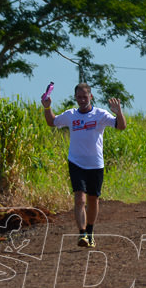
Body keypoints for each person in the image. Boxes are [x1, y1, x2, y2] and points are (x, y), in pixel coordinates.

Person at [43, 83, 126, 247]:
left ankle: (90, 231)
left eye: (85, 97)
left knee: (93, 200)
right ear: (75, 97)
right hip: (76, 162)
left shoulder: (100, 114)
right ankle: (82, 235)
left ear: (91, 97)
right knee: (79, 199)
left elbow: (120, 126)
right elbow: (52, 122)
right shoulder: (71, 115)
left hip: (95, 164)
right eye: (79, 97)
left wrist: (119, 113)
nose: (82, 100)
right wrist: (47, 108)